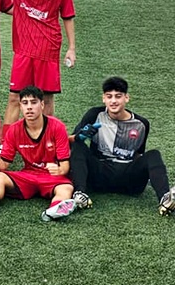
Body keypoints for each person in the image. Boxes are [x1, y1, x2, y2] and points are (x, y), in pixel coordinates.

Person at [0, 86, 76, 221]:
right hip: (28, 174)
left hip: (51, 176)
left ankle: (55, 209)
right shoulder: (14, 129)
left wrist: (59, 170)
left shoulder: (57, 127)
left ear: (42, 105)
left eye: (34, 102)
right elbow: (4, 164)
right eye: (25, 103)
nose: (29, 107)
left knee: (66, 187)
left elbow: (65, 167)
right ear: (20, 106)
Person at [69, 77, 175, 216]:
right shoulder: (95, 114)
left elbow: (139, 154)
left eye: (118, 96)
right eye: (109, 96)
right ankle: (80, 194)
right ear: (103, 98)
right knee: (78, 146)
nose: (113, 101)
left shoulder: (141, 124)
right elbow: (69, 141)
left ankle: (165, 198)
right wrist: (80, 136)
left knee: (153, 154)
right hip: (99, 175)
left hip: (129, 181)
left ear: (126, 98)